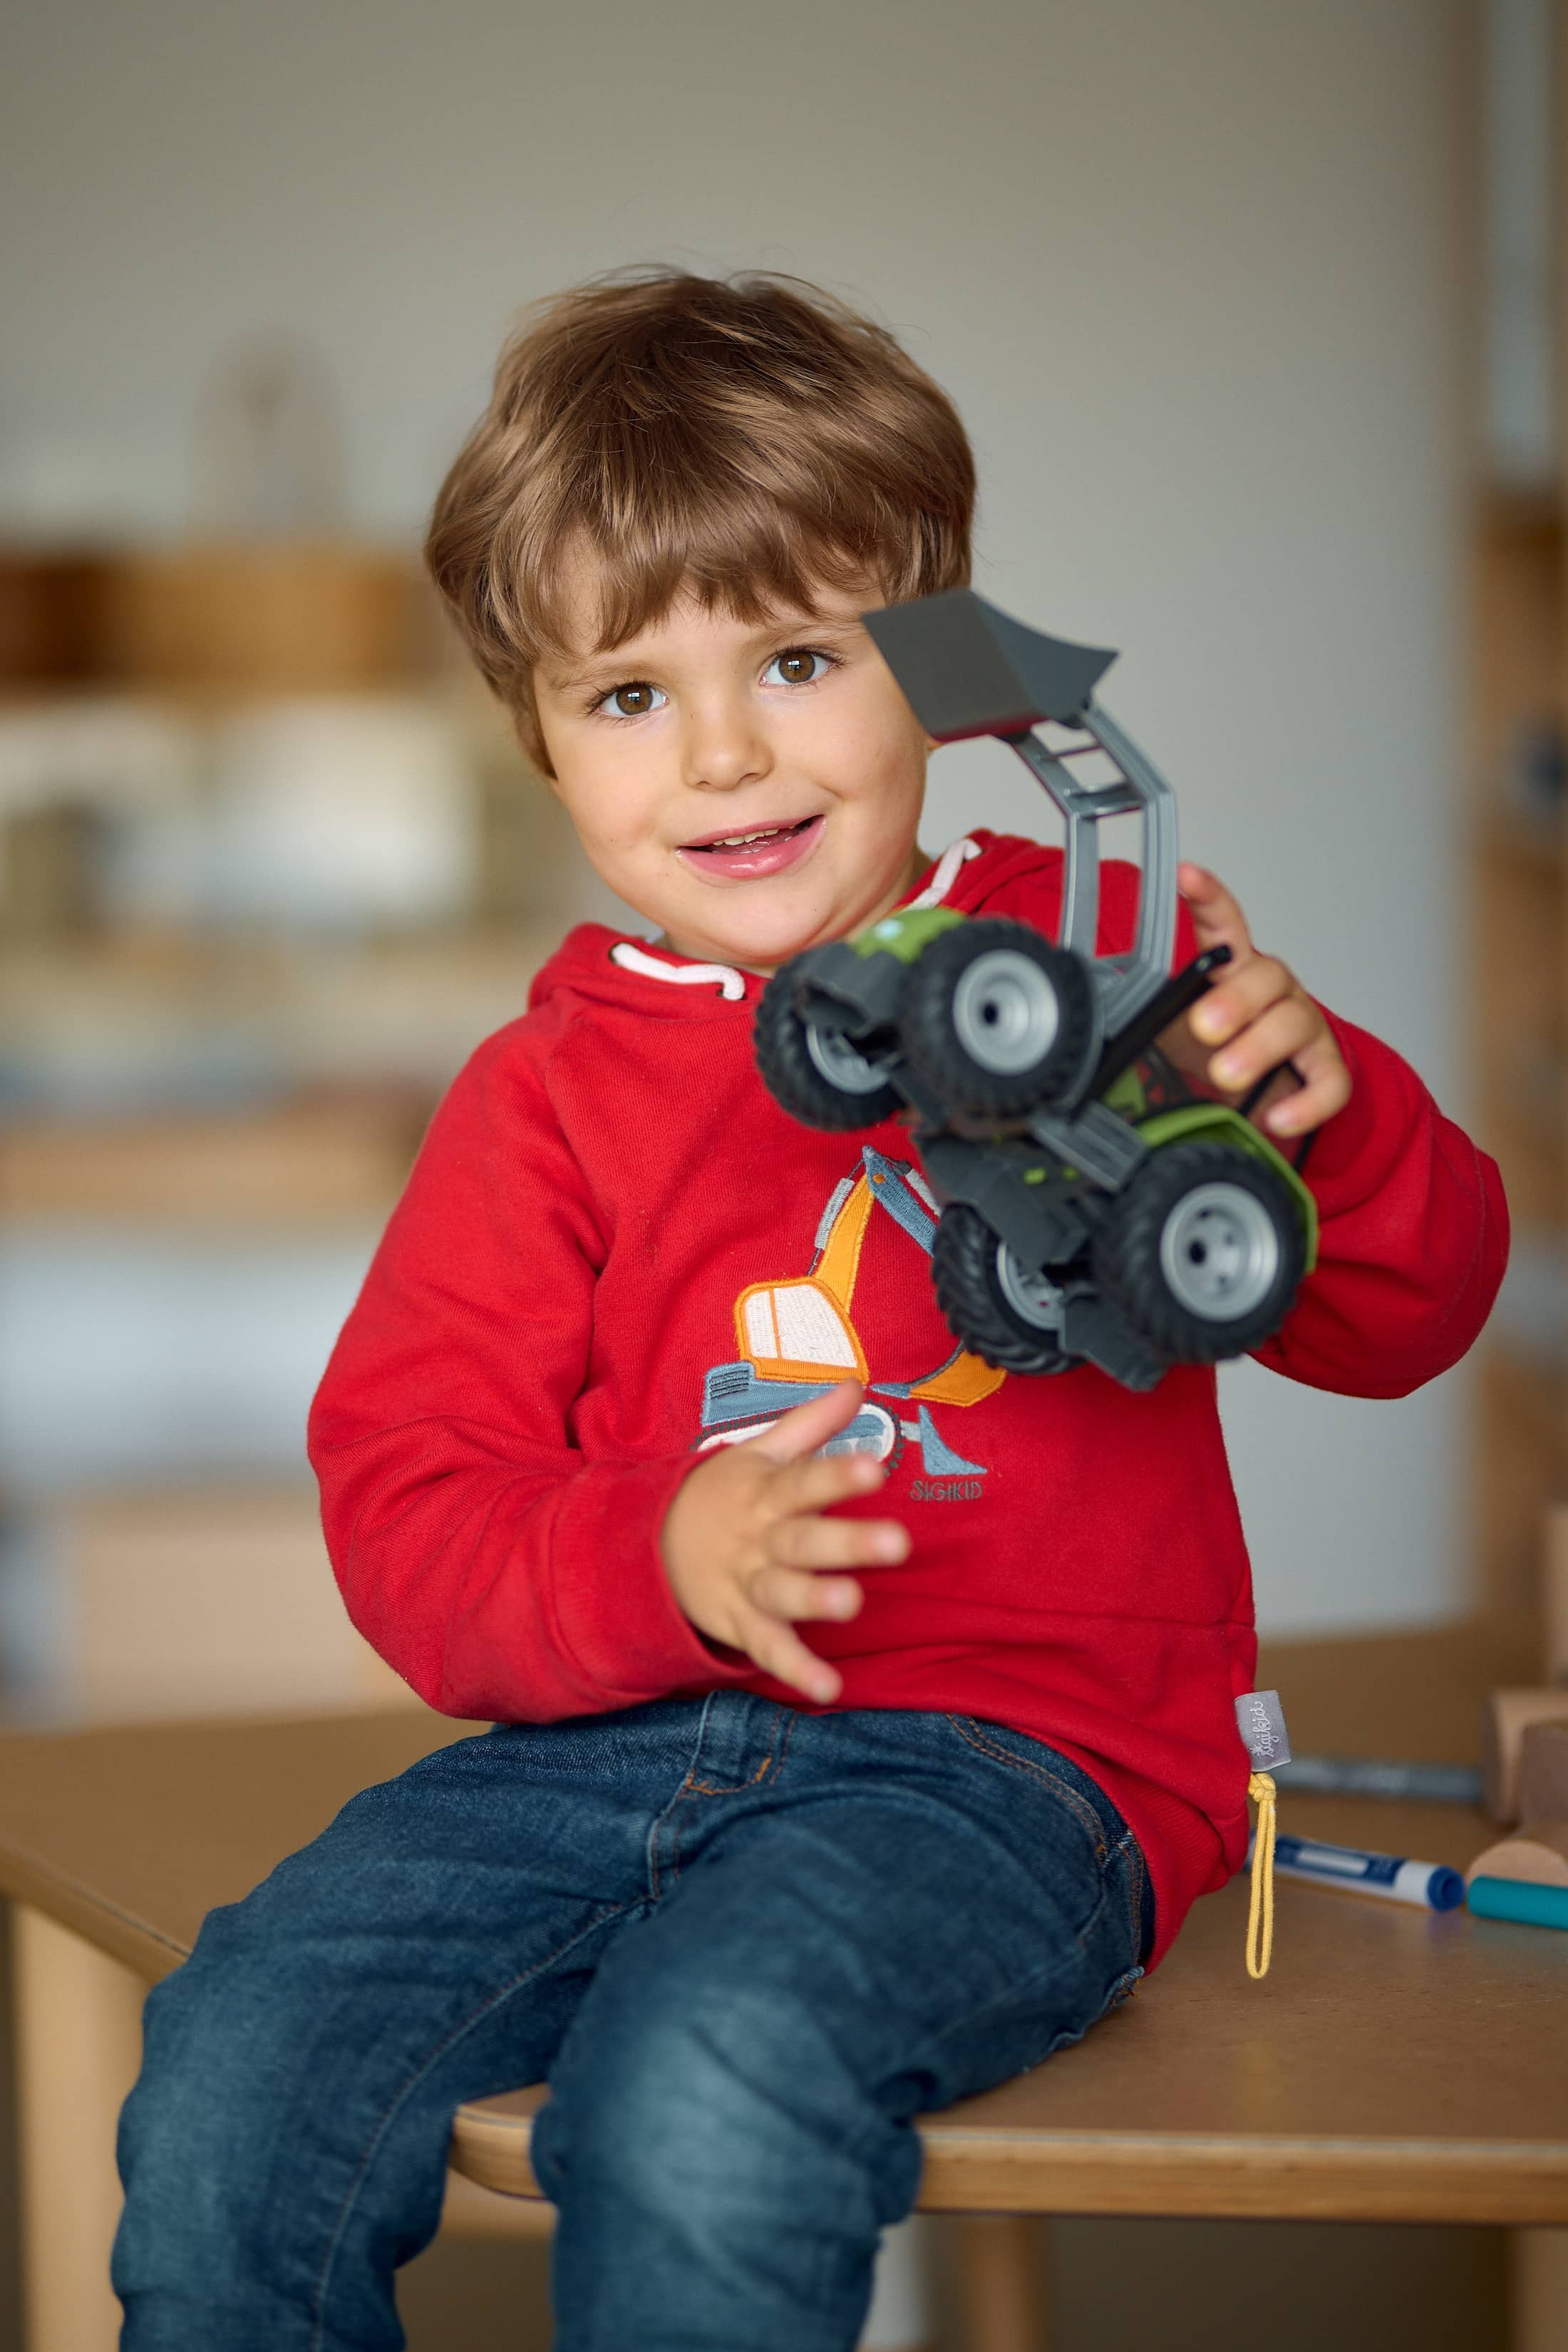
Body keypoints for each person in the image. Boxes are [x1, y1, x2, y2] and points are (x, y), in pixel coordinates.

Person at [113, 270, 1508, 2352]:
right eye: (627, 696)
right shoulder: (543, 1094)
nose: (729, 753)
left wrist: (1331, 1114)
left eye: (794, 654)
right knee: (238, 2051)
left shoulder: (1094, 958)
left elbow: (1409, 1305)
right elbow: (410, 1497)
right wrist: (653, 1546)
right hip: (596, 1747)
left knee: (704, 2081)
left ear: (936, 670)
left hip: (1008, 1766)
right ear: (538, 743)